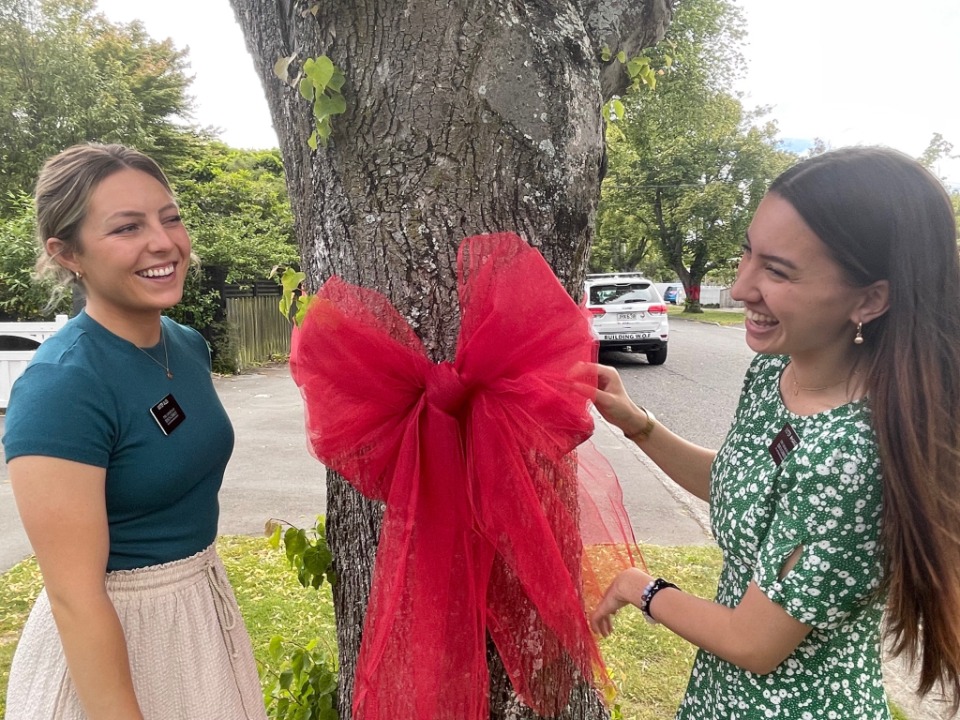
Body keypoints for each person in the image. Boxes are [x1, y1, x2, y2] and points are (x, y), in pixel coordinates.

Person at [589, 146, 960, 719]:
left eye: (778, 271)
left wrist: (640, 586)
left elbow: (754, 642)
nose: (741, 288)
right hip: (722, 697)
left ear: (870, 299)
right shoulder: (775, 369)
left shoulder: (849, 455)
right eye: (747, 253)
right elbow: (747, 489)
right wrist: (639, 426)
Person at [2, 144, 267, 719]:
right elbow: (75, 597)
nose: (163, 242)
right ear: (67, 253)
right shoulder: (62, 387)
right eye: (127, 228)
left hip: (199, 612)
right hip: (116, 645)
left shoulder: (186, 345)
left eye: (169, 217)